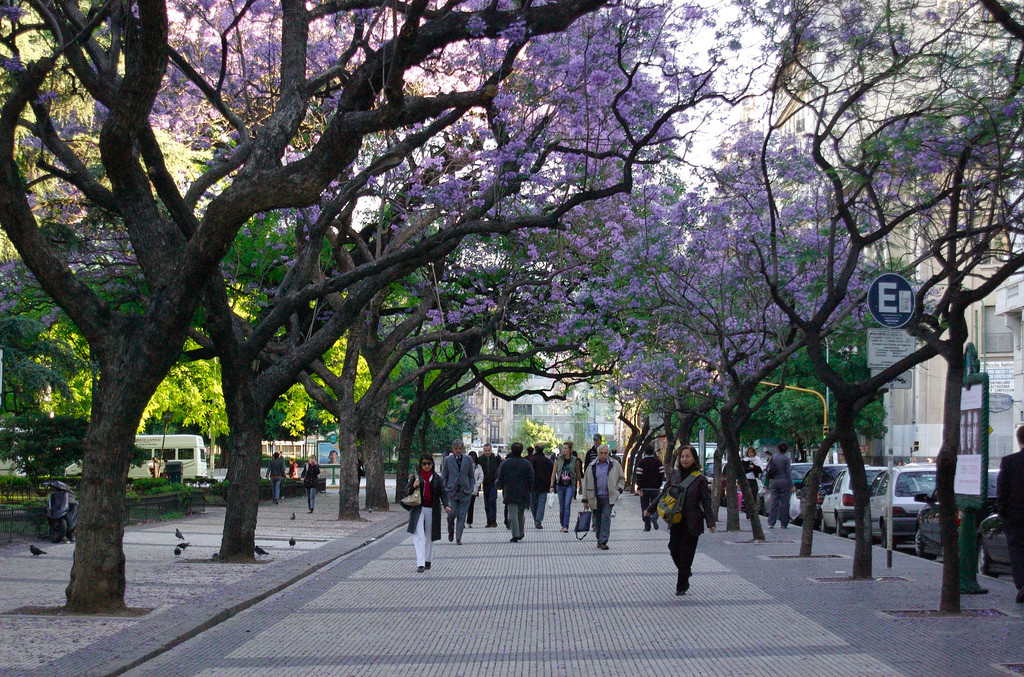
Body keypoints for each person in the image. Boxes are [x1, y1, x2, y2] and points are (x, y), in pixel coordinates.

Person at [644, 444, 716, 595]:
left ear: (694, 458)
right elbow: (663, 494)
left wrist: (711, 522)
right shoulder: (675, 475)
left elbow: (706, 501)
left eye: (687, 456)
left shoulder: (700, 479)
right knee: (673, 548)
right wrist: (650, 509)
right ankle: (685, 571)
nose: (684, 459)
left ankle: (681, 585)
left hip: (692, 521)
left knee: (686, 553)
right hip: (676, 520)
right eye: (682, 456)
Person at [404, 454, 451, 572]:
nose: (426, 466)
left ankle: (427, 559)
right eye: (424, 463)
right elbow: (406, 491)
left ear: (432, 464)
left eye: (429, 463)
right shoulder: (415, 477)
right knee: (418, 534)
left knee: (430, 535)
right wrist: (413, 486)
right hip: (418, 508)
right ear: (420, 464)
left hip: (432, 509)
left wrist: (446, 505)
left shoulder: (437, 478)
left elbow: (443, 492)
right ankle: (420, 563)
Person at [997, 426, 1024, 603]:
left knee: (1017, 550)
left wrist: (1003, 513)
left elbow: (1002, 490)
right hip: (1014, 515)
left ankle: (1022, 584)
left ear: (1018, 440)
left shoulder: (1009, 462)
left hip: (1016, 516)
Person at [581, 444, 625, 550]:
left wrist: (618, 490)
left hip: (608, 497)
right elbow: (585, 483)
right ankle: (599, 539)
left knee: (606, 518)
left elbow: (621, 479)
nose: (604, 455)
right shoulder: (591, 466)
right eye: (601, 453)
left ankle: (603, 541)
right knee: (597, 521)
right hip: (594, 497)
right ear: (597, 453)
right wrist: (585, 499)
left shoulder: (615, 465)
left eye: (606, 453)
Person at [495, 442, 533, 542]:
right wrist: (529, 489)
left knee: (512, 514)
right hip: (523, 492)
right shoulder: (526, 463)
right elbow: (531, 478)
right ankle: (521, 532)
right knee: (520, 513)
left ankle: (515, 535)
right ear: (521, 451)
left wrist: (499, 485)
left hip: (510, 492)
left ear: (511, 450)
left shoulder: (505, 463)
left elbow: (500, 477)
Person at [441, 439, 476, 544]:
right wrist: (446, 488)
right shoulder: (447, 460)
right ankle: (450, 530)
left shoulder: (468, 459)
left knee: (462, 515)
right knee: (452, 514)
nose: (458, 451)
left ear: (463, 448)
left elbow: (471, 475)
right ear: (453, 449)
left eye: (460, 449)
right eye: (456, 449)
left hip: (465, 492)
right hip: (452, 491)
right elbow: (444, 475)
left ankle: (458, 537)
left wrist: (470, 487)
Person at [634, 443, 666, 532]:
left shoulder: (641, 462)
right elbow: (661, 474)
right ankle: (654, 516)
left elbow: (639, 475)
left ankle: (647, 525)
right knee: (655, 505)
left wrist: (639, 487)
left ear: (645, 452)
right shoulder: (658, 462)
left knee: (645, 506)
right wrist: (659, 484)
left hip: (644, 488)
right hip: (655, 488)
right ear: (653, 452)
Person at [550, 442, 580, 532]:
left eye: (566, 448)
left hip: (570, 485)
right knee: (562, 506)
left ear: (570, 450)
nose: (564, 450)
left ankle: (566, 526)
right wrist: (551, 485)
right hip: (560, 485)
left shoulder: (575, 460)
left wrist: (581, 486)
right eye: (563, 448)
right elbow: (553, 473)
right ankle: (562, 524)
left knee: (567, 505)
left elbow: (578, 473)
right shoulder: (558, 459)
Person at [765, 442, 793, 529]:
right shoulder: (786, 458)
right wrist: (791, 485)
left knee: (774, 502)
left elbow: (767, 468)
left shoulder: (773, 457)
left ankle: (771, 522)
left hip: (775, 481)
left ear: (778, 448)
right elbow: (788, 473)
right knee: (784, 503)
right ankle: (784, 523)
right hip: (784, 481)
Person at [528, 443, 554, 528]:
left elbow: (529, 473)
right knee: (541, 503)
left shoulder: (532, 460)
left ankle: (536, 518)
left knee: (533, 504)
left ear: (535, 450)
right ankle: (538, 520)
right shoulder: (547, 461)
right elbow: (551, 473)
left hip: (533, 485)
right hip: (544, 485)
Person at [478, 443, 501, 527]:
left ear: (491, 450)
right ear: (483, 450)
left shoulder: (495, 459)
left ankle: (494, 520)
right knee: (487, 503)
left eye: (488, 450)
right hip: (485, 483)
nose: (487, 452)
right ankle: (489, 521)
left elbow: (500, 469)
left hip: (493, 483)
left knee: (492, 500)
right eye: (485, 450)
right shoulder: (480, 459)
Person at [741, 447, 763, 518]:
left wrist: (753, 467)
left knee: (753, 496)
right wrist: (749, 468)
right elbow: (743, 470)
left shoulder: (757, 460)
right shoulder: (744, 461)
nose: (751, 454)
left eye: (752, 452)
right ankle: (748, 514)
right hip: (747, 480)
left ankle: (752, 513)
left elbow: (760, 470)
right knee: (747, 497)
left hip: (754, 480)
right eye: (749, 452)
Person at [466, 451, 484, 528]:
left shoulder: (478, 466)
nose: (472, 459)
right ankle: (461, 521)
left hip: (474, 488)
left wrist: (477, 484)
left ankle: (469, 521)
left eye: (473, 458)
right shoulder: (464, 465)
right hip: (465, 488)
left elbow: (481, 476)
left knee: (471, 506)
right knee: (463, 506)